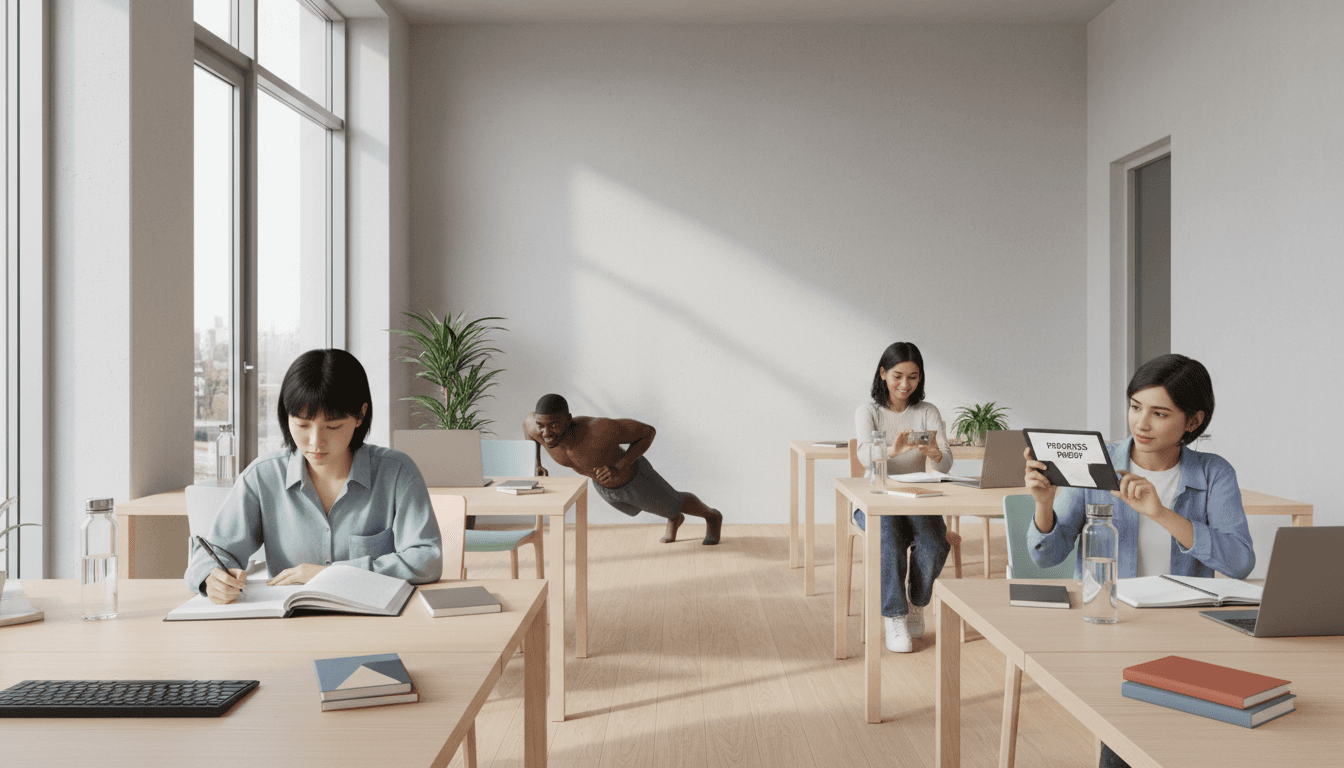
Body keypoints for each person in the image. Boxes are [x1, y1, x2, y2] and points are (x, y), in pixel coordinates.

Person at [1024, 353, 1253, 768]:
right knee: (1131, 726)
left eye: (1159, 413)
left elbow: (1239, 561)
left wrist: (1160, 513)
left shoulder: (1214, 473)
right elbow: (1048, 556)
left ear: (1193, 421)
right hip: (1109, 625)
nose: (1141, 424)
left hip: (1186, 631)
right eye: (1135, 407)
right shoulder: (1098, 461)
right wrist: (1044, 505)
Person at [184, 349, 443, 604]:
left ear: (360, 415)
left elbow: (426, 560)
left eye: (333, 426)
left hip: (373, 622)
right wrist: (212, 578)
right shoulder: (263, 477)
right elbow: (214, 551)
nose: (315, 441)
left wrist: (334, 575)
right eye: (302, 425)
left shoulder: (397, 473)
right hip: (291, 627)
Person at [853, 341, 954, 653]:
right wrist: (893, 450)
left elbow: (946, 462)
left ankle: (916, 603)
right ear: (883, 374)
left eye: (913, 377)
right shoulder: (869, 412)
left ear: (920, 377)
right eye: (897, 375)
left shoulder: (927, 411)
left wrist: (936, 452)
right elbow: (863, 455)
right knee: (889, 537)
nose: (904, 384)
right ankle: (894, 616)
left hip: (917, 497)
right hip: (876, 499)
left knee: (936, 541)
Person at [523, 394, 724, 545]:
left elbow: (648, 432)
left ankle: (712, 516)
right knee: (656, 505)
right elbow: (527, 428)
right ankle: (673, 516)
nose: (547, 432)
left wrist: (620, 465)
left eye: (555, 424)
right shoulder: (536, 428)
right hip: (603, 486)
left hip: (634, 477)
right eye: (541, 425)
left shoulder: (598, 430)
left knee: (674, 500)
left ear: (568, 418)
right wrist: (536, 462)